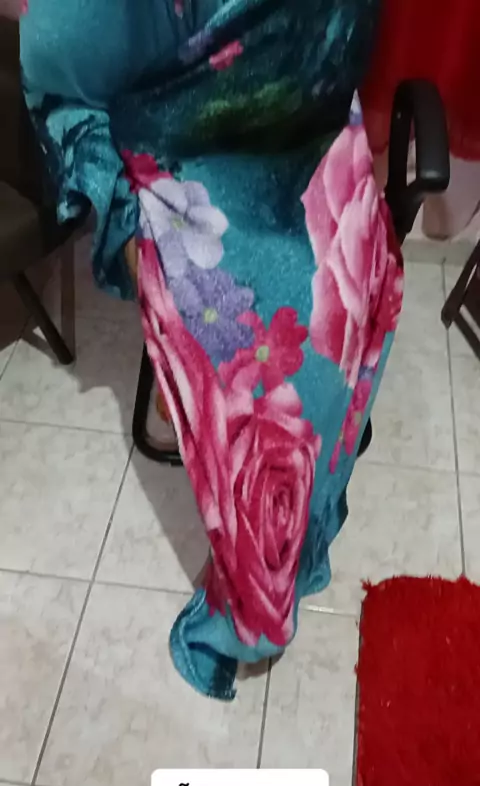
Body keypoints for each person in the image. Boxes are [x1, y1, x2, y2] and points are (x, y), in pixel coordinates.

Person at [20, 0, 403, 699]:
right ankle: (252, 599)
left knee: (339, 354)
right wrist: (128, 229)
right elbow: (61, 71)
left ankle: (296, 540)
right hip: (196, 192)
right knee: (262, 426)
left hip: (319, 160)